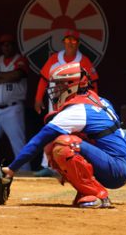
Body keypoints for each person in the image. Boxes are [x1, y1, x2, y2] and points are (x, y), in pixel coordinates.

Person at [0, 62, 126, 208]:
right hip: (115, 164)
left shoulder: (78, 110)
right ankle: (84, 191)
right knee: (60, 141)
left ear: (72, 85)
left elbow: (39, 140)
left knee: (64, 144)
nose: (56, 90)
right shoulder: (100, 100)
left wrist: (12, 169)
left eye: (60, 85)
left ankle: (98, 194)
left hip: (115, 169)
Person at [34, 29, 99, 176]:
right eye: (67, 40)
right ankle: (48, 165)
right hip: (56, 102)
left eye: (73, 41)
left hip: (77, 103)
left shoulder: (84, 60)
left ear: (78, 43)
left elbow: (93, 83)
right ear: (63, 42)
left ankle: (76, 165)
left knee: (77, 134)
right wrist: (38, 99)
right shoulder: (54, 59)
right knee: (51, 131)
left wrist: (94, 101)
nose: (70, 43)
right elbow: (44, 79)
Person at [0, 34, 30, 171]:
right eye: (4, 44)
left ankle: (26, 173)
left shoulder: (20, 59)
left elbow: (17, 75)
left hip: (12, 109)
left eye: (9, 44)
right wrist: (6, 77)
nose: (6, 47)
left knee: (18, 144)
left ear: (14, 45)